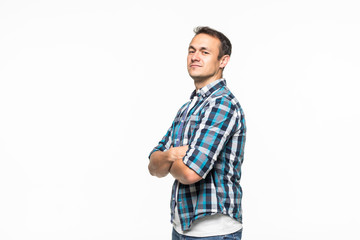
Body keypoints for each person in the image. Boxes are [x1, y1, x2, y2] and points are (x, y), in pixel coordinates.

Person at [148, 26, 246, 240]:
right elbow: (153, 166)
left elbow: (191, 173)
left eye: (204, 51)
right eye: (191, 50)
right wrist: (173, 155)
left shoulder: (222, 104)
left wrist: (167, 161)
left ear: (223, 61)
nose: (195, 57)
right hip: (181, 227)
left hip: (213, 232)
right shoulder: (187, 108)